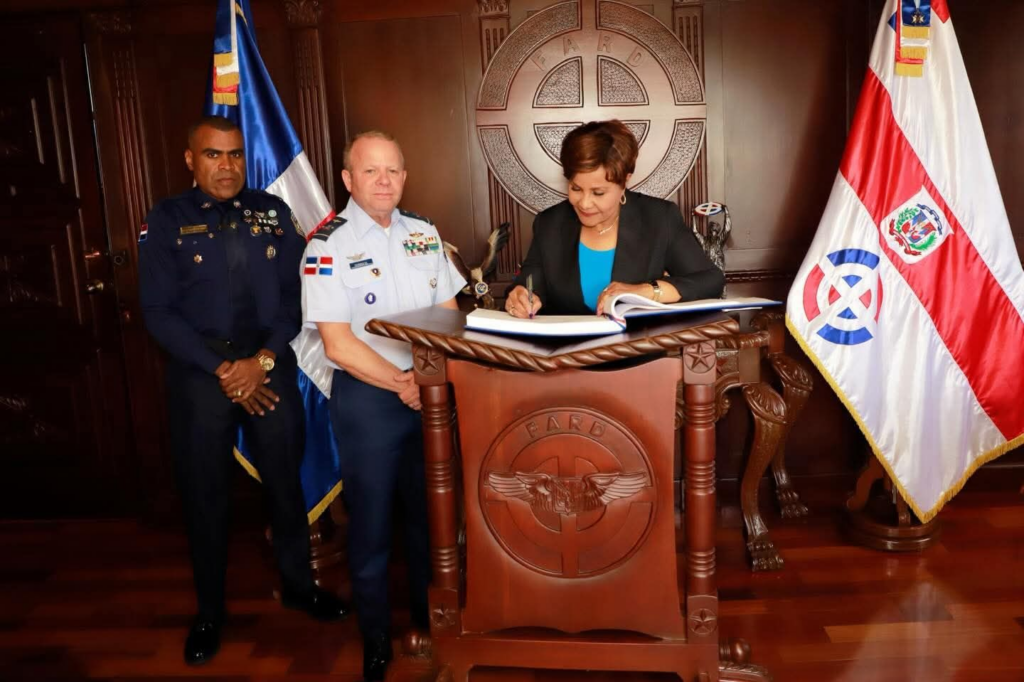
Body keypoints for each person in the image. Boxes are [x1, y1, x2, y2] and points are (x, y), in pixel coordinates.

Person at [138, 115, 349, 667]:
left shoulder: (272, 212)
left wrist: (260, 362)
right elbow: (158, 312)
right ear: (191, 159)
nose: (226, 165)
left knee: (286, 482)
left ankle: (299, 586)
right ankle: (210, 612)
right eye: (213, 155)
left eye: (234, 154)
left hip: (267, 365)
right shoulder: (167, 219)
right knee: (205, 495)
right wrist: (224, 370)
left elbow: (294, 300)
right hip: (200, 376)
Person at [300, 131, 466, 682]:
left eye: (393, 170)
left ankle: (428, 622)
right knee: (371, 525)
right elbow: (336, 343)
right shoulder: (327, 244)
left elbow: (449, 314)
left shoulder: (424, 233)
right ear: (348, 179)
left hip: (428, 394)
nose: (383, 181)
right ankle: (375, 638)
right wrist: (402, 382)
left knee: (429, 518)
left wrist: (426, 380)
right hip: (369, 399)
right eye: (370, 171)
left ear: (405, 177)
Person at [504, 119, 724, 318]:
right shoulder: (550, 223)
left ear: (625, 181)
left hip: (639, 348)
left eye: (598, 193)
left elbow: (711, 280)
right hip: (566, 350)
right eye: (576, 188)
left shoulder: (659, 218)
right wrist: (520, 296)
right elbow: (528, 284)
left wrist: (646, 290)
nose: (584, 203)